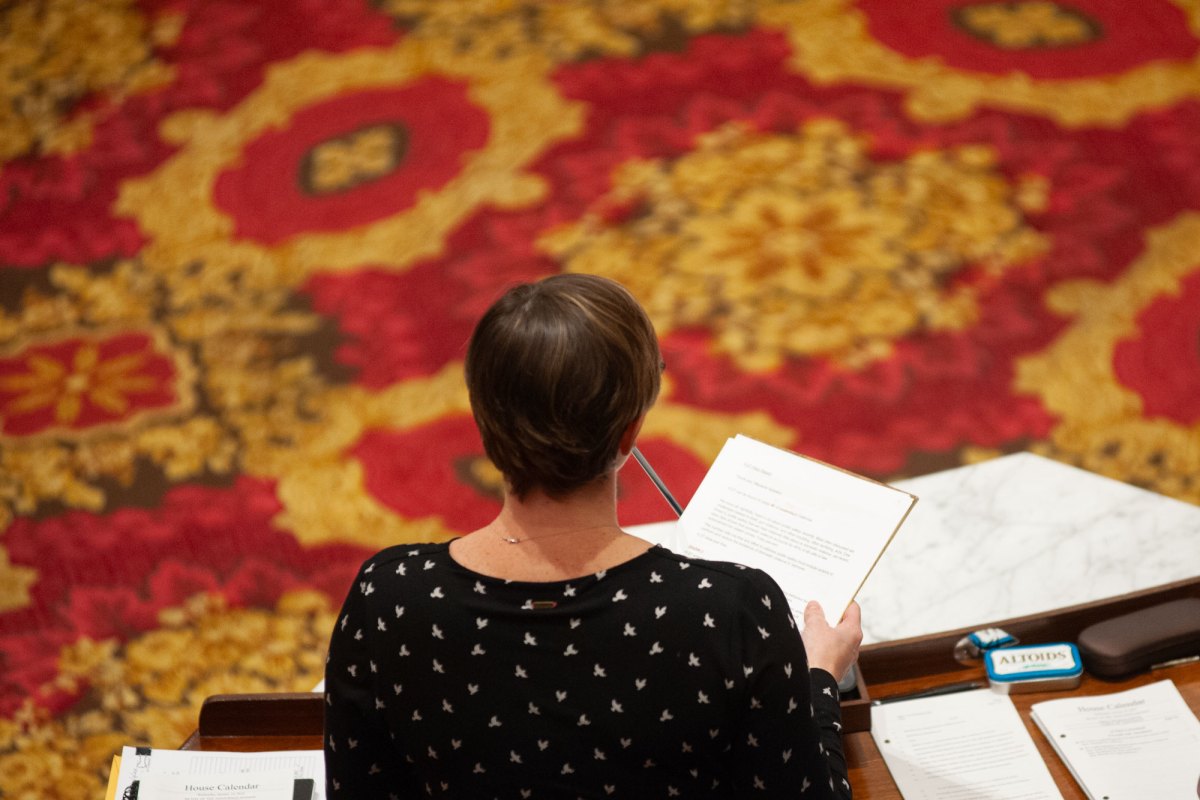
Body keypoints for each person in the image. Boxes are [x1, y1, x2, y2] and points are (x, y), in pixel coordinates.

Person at [324, 273, 862, 798]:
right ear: (629, 430)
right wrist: (817, 678)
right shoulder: (732, 609)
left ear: (481, 417)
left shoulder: (389, 594)